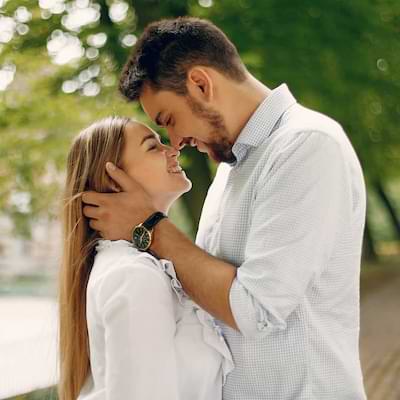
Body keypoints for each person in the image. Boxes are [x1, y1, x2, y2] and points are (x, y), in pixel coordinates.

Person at [82, 17, 368, 399]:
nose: (176, 141)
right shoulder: (231, 171)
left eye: (169, 120)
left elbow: (256, 310)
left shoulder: (305, 146)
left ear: (201, 84)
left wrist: (148, 225)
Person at [58, 116, 233, 400]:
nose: (173, 150)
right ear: (114, 181)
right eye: (153, 146)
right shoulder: (133, 275)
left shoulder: (145, 266)